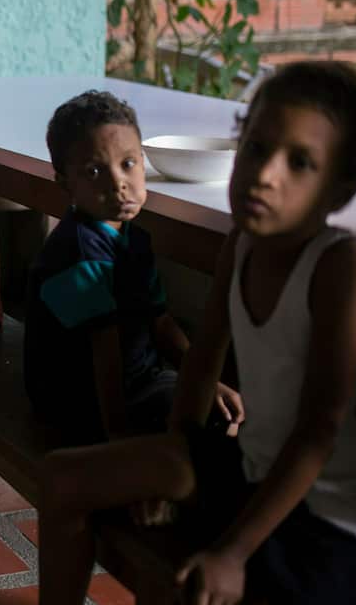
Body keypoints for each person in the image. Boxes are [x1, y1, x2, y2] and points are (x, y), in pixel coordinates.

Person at [0, 61, 356, 605]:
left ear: (341, 185)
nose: (264, 175)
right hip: (249, 466)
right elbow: (200, 365)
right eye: (258, 148)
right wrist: (167, 460)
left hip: (333, 516)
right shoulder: (244, 243)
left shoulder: (343, 268)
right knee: (65, 479)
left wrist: (234, 552)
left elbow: (319, 432)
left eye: (300, 163)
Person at [23, 90, 242, 445]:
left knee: (218, 403)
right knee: (204, 427)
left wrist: (202, 381)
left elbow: (160, 320)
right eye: (95, 171)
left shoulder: (133, 239)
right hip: (77, 401)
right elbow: (105, 356)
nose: (117, 182)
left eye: (128, 164)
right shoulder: (78, 255)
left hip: (137, 380)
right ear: (65, 183)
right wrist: (119, 442)